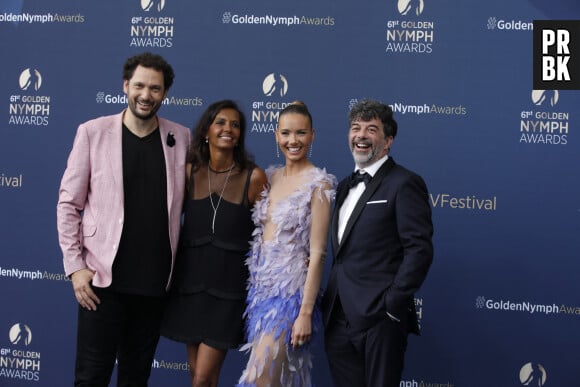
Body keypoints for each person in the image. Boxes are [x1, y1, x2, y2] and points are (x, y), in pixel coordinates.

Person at [56, 52, 190, 386]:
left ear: (165, 93)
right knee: (91, 377)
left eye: (155, 89)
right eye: (140, 86)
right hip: (102, 283)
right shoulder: (92, 132)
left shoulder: (182, 138)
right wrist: (75, 267)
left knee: (136, 378)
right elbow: (68, 204)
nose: (146, 95)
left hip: (154, 286)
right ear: (126, 86)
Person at [321, 99, 434, 387]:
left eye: (372, 129)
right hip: (337, 317)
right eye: (356, 128)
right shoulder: (345, 184)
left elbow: (419, 249)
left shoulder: (404, 182)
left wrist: (391, 305)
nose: (361, 135)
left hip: (379, 320)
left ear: (388, 141)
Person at [161, 99, 268, 387]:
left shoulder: (254, 177)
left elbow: (269, 234)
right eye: (220, 122)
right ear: (206, 130)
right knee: (200, 376)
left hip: (228, 290)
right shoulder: (188, 172)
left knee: (202, 378)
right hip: (190, 285)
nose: (228, 129)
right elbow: (168, 221)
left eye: (235, 125)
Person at [237, 101, 336, 386]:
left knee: (261, 378)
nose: (293, 141)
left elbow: (318, 254)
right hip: (258, 295)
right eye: (287, 133)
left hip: (291, 297)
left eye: (301, 133)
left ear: (313, 135)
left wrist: (305, 312)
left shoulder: (319, 184)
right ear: (276, 135)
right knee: (276, 381)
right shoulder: (269, 177)